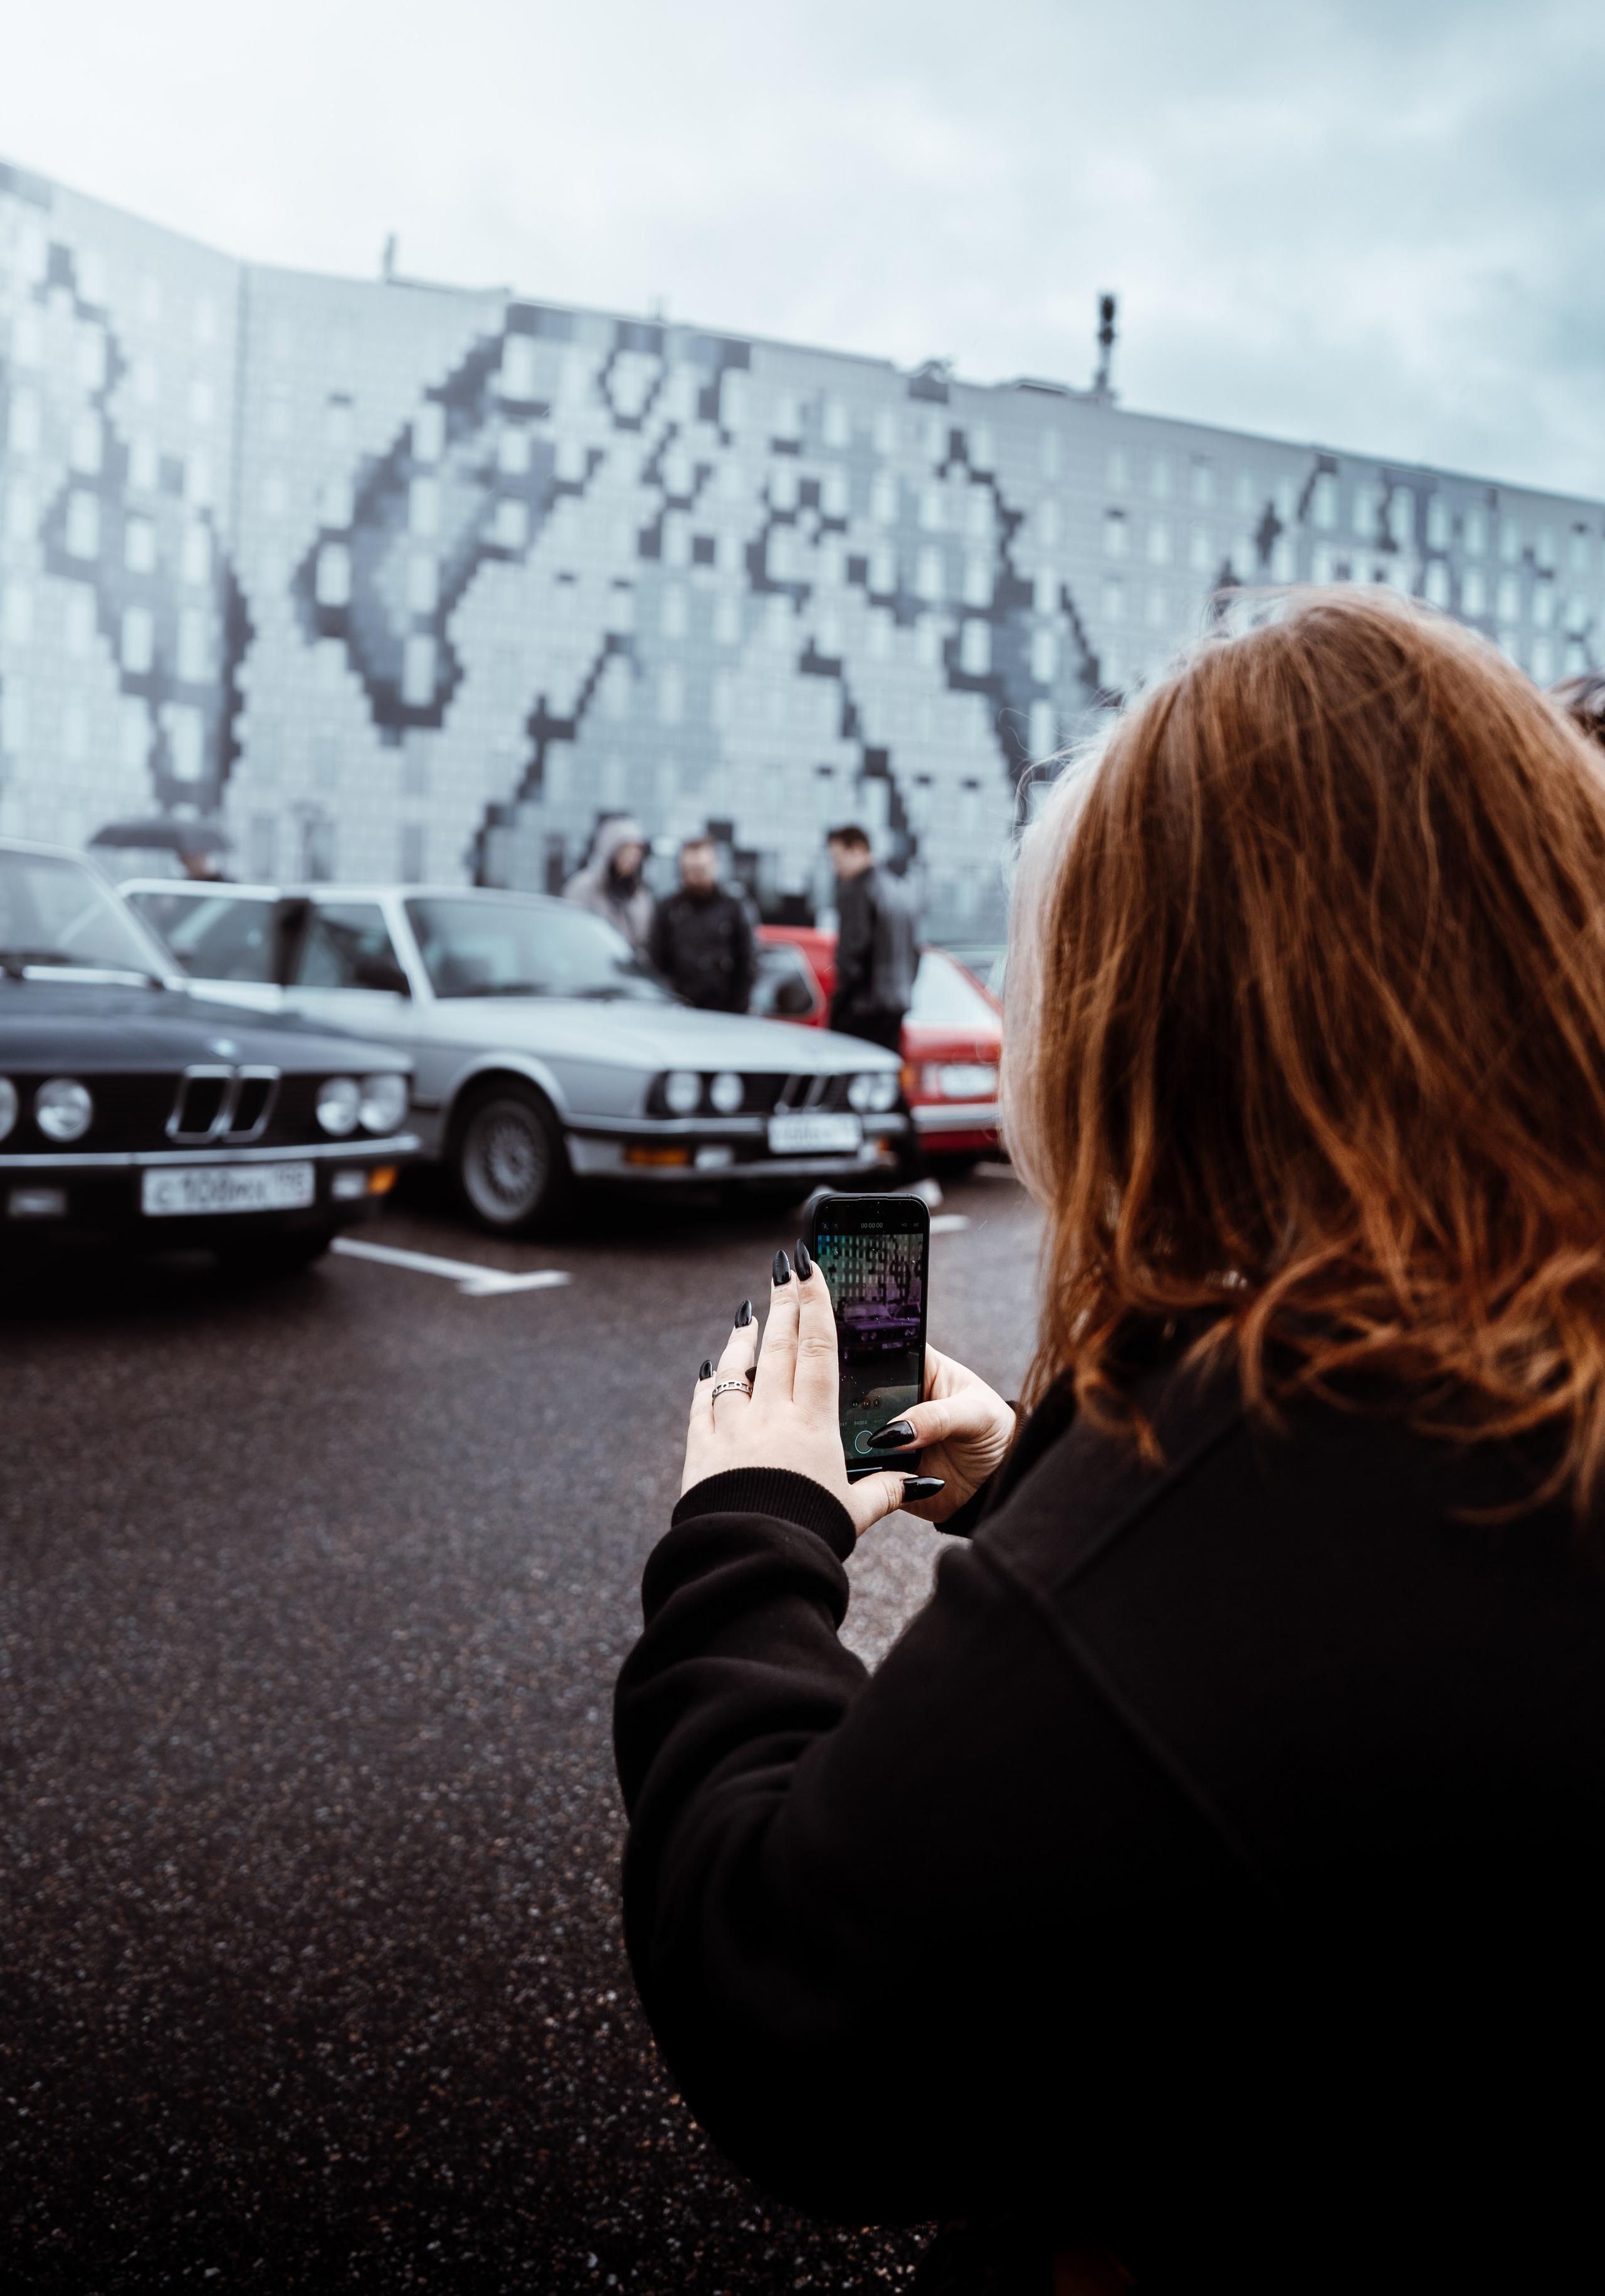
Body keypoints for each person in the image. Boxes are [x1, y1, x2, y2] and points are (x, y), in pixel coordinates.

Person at [614, 589, 1605, 2292]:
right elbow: (1304, 1703)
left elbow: (795, 2003)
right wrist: (1042, 1496)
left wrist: (750, 1523)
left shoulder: (1324, 1443)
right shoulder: (1507, 1345)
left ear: (1166, 1014)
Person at [825, 824, 917, 1051]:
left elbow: (853, 951)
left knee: (848, 1080)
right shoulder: (899, 890)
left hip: (862, 1009)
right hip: (895, 1005)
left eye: (837, 858)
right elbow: (915, 953)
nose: (835, 869)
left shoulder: (858, 890)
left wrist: (839, 1005)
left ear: (857, 850)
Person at [647, 834, 757, 1012]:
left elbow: (748, 962)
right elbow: (656, 962)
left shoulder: (734, 906)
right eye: (689, 870)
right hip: (677, 1009)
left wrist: (737, 1008)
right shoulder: (668, 908)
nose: (695, 876)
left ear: (715, 866)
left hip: (725, 1011)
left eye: (701, 869)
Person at [563, 814, 654, 957]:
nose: (632, 856)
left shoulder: (640, 895)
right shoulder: (583, 887)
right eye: (626, 848)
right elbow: (570, 932)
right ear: (610, 849)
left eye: (637, 850)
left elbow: (644, 940)